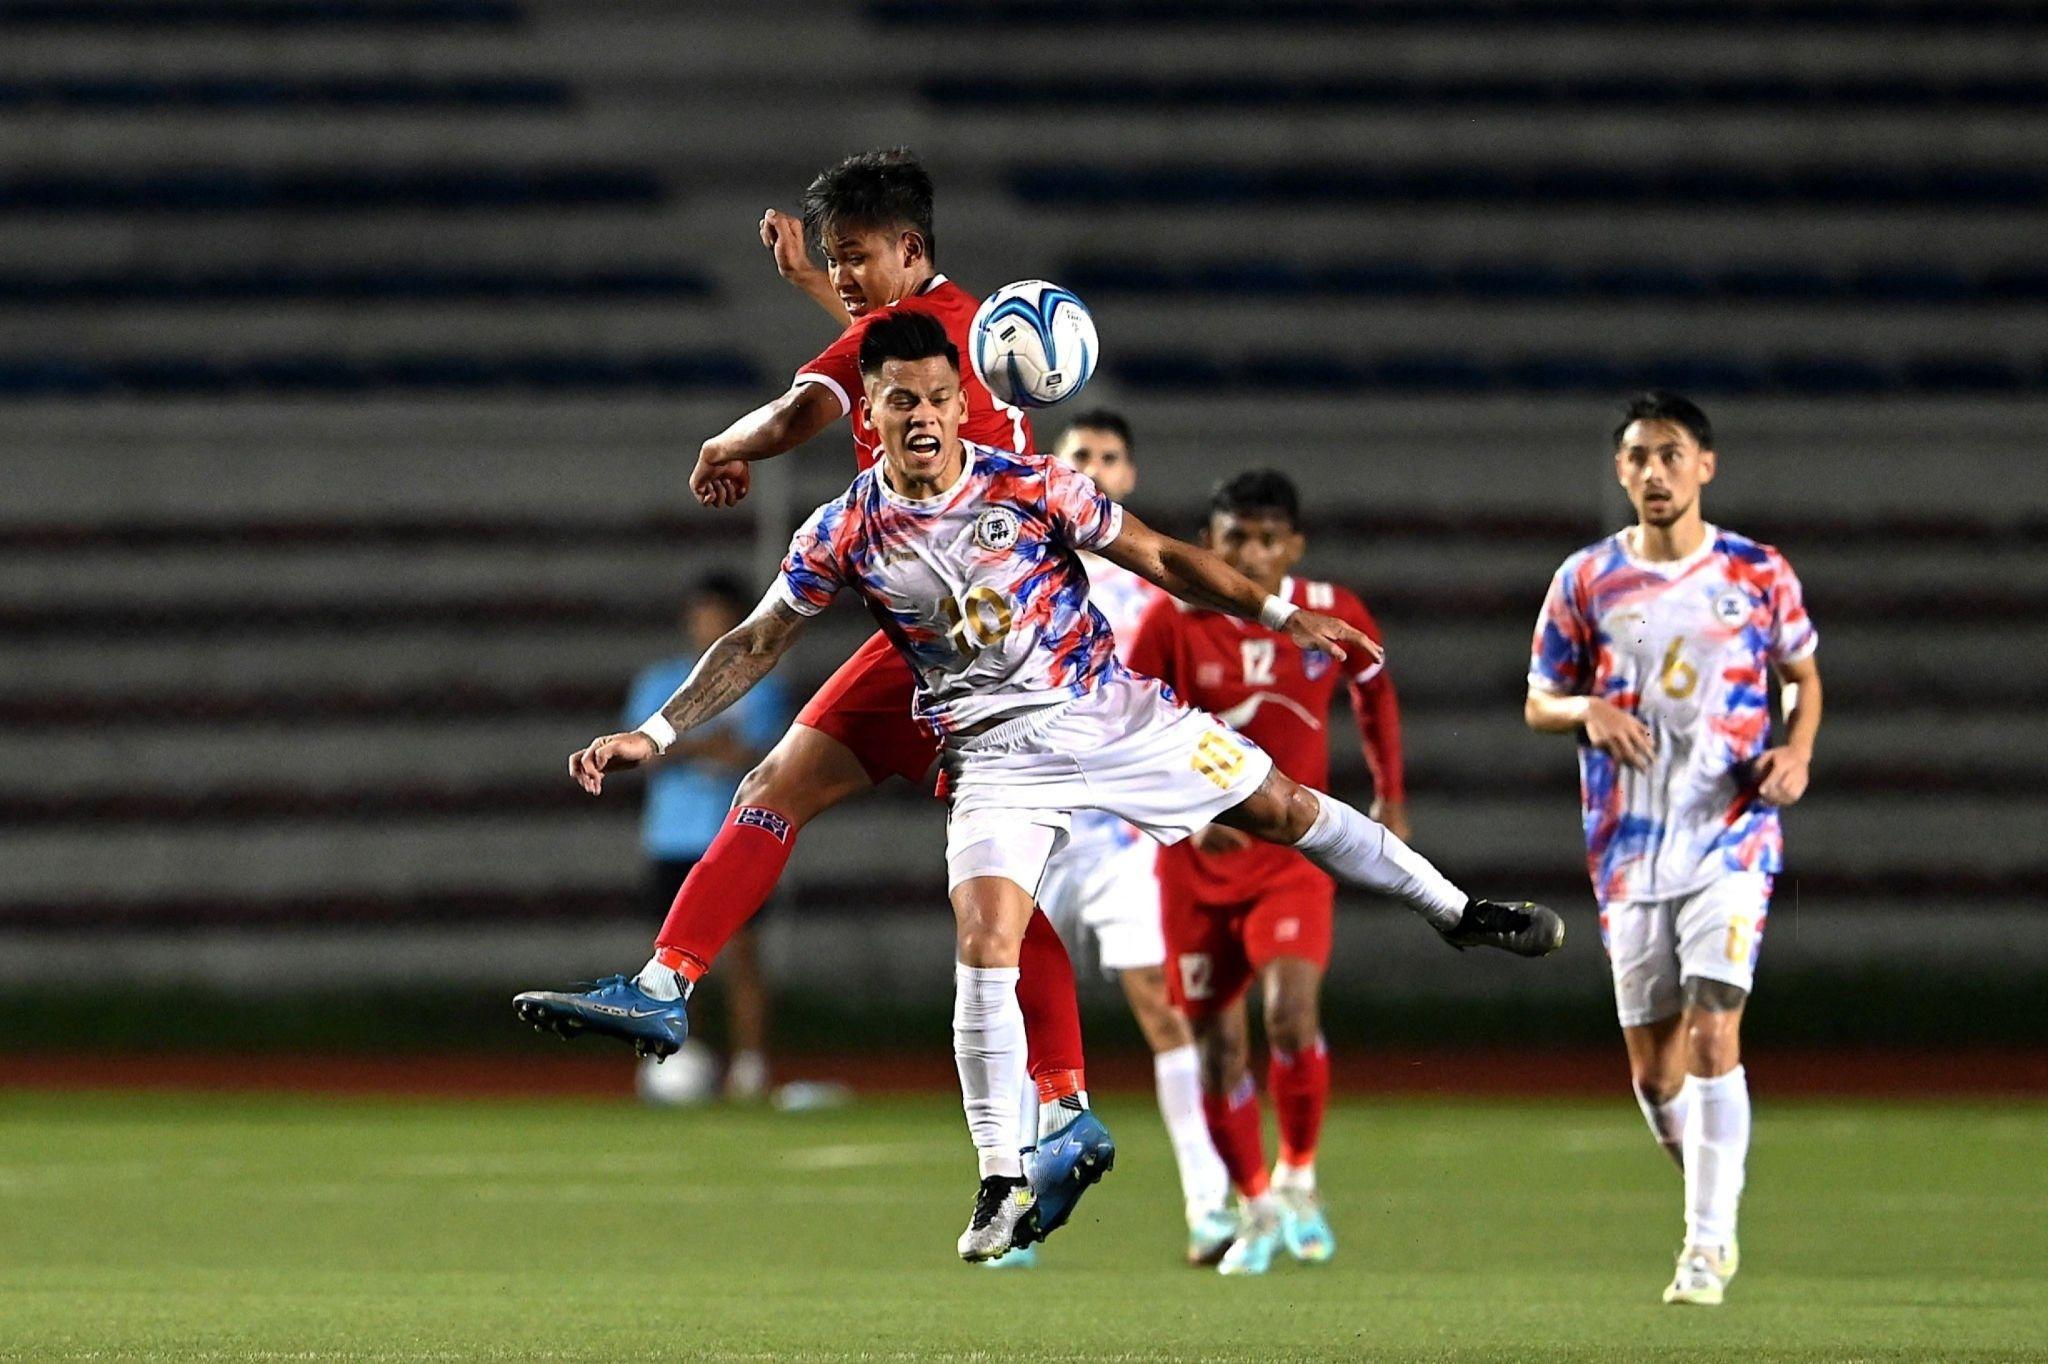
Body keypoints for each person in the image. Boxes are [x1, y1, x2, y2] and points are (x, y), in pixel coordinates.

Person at [528, 313, 1563, 1261]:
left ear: (958, 403)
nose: (923, 415)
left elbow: (1159, 553)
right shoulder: (844, 530)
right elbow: (758, 638)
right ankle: (997, 1179)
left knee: (1285, 809)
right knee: (983, 940)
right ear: (876, 412)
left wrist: (1279, 615)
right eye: (901, 399)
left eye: (938, 397)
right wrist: (654, 730)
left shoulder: (1027, 483)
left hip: (1112, 715)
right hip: (996, 760)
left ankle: (1455, 908)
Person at [518, 149, 1102, 1197]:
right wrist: (813, 283)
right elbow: (873, 337)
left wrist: (719, 443)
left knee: (930, 860)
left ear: (910, 250)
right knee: (928, 860)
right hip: (985, 629)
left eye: (854, 259)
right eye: (832, 263)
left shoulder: (892, 339)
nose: (841, 279)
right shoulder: (954, 328)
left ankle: (666, 985)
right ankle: (1061, 1099)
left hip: (969, 647)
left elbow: (799, 413)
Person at [1524, 392, 1823, 1307]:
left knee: (1712, 1026)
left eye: (1671, 454)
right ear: (1620, 471)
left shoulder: (1756, 572)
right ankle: (1714, 1195)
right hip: (1626, 847)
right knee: (1654, 1073)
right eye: (1639, 457)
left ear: (1705, 465)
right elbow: (1541, 699)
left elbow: (1802, 677)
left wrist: (1797, 753)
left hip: (1731, 835)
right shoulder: (1588, 580)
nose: (1655, 471)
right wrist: (1591, 710)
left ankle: (1706, 1245)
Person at [1124, 468, 1406, 1275]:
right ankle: (1253, 1204)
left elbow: (1375, 690)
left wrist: (1389, 792)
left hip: (1290, 857)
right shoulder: (1169, 622)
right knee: (1218, 1049)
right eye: (1236, 537)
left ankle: (1300, 1179)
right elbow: (1127, 727)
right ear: (1208, 544)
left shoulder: (1332, 612)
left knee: (1290, 1013)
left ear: (1295, 544)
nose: (1252, 550)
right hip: (1195, 868)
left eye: (1267, 537)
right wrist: (1190, 813)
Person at [992, 411, 1236, 1271]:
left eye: (1108, 457)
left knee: (1161, 1012)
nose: (1094, 466)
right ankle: (1017, 1213)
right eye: (1079, 456)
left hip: (1120, 835)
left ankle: (1210, 1206)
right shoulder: (1016, 564)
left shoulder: (1149, 590)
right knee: (1020, 1021)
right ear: (1056, 473)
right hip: (1032, 832)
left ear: (1125, 479)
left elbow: (1171, 700)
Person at [624, 573, 790, 1100]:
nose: (708, 626)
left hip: (735, 840)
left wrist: (687, 748)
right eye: (702, 616)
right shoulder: (658, 682)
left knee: (741, 957)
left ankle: (748, 1066)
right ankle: (675, 1065)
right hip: (671, 838)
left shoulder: (763, 685)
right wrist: (707, 748)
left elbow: (768, 758)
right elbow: (642, 755)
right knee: (670, 960)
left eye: (719, 618)